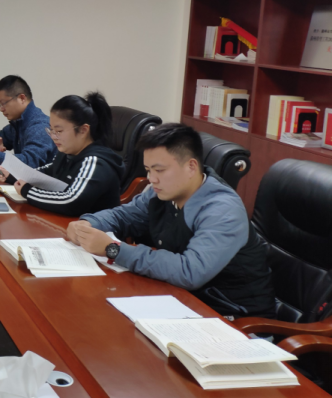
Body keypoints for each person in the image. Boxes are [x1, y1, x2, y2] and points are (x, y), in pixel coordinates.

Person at [66, 123, 274, 318]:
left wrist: (113, 249)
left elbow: (190, 272)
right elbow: (125, 215)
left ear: (191, 166)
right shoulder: (162, 191)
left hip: (231, 316)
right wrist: (88, 224)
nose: (152, 179)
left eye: (160, 170)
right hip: (181, 300)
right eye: (148, 170)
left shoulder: (222, 210)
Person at [0, 92, 122, 217]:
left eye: (59, 131)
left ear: (83, 130)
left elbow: (72, 201)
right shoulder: (67, 153)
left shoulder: (95, 161)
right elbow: (44, 174)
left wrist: (27, 191)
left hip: (92, 228)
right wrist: (13, 176)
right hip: (65, 222)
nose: (53, 137)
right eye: (51, 130)